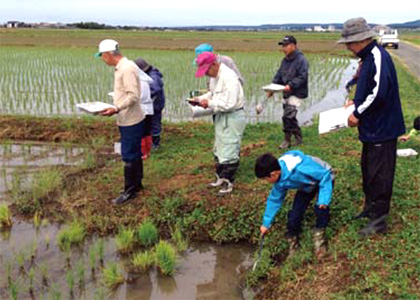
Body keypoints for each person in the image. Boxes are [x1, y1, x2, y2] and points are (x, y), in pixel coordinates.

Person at [338, 18, 405, 235]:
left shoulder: (377, 56)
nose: (348, 47)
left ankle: (379, 222)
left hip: (382, 128)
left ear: (361, 39)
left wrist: (357, 113)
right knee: (368, 170)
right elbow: (368, 90)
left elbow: (378, 93)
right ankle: (369, 208)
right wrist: (355, 103)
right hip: (372, 128)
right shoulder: (366, 58)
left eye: (349, 42)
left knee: (380, 174)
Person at [255, 151, 334, 258]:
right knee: (294, 215)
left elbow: (325, 174)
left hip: (324, 177)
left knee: (321, 208)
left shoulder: (300, 169)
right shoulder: (279, 179)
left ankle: (319, 236)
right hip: (306, 185)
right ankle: (293, 242)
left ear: (273, 174)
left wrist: (324, 200)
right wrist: (266, 223)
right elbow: (274, 200)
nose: (265, 181)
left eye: (265, 179)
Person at [95, 39, 145, 205]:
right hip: (127, 117)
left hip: (131, 119)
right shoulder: (121, 67)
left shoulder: (127, 68)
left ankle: (129, 191)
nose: (102, 59)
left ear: (109, 54)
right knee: (134, 153)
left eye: (102, 56)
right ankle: (137, 185)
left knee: (129, 155)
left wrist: (115, 108)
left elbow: (133, 95)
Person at [193, 52, 246, 195]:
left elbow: (229, 103)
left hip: (233, 116)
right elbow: (213, 93)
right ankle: (220, 177)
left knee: (229, 149)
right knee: (219, 148)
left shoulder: (230, 78)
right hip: (221, 116)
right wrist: (199, 99)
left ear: (214, 64)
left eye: (207, 70)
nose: (206, 75)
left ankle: (228, 183)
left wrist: (208, 103)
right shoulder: (214, 77)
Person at [267, 36, 309, 149]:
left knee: (287, 116)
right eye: (283, 46)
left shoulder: (301, 60)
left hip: (297, 92)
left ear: (293, 46)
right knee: (290, 116)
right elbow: (279, 75)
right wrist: (272, 88)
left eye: (286, 45)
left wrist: (291, 85)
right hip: (286, 92)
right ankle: (298, 135)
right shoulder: (285, 60)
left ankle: (287, 140)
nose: (283, 48)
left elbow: (302, 77)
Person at [135, 58, 165, 149]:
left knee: (154, 123)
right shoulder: (148, 75)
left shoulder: (154, 76)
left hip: (155, 104)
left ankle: (156, 144)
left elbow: (155, 89)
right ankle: (148, 142)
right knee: (148, 123)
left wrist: (141, 95)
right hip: (150, 104)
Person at [139, 78, 153, 159]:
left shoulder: (141, 82)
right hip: (147, 109)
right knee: (147, 131)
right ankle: (147, 152)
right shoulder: (145, 81)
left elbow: (140, 97)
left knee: (142, 132)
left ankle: (144, 153)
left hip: (142, 109)